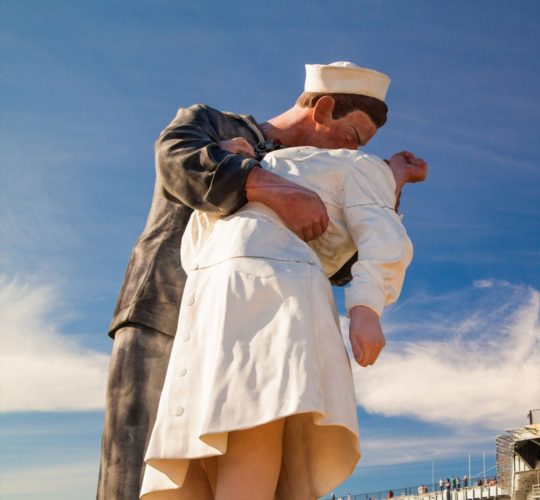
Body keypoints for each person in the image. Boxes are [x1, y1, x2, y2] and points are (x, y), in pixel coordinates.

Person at [98, 61, 402, 500]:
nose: (350, 151)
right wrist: (264, 183)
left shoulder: (325, 168)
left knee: (255, 434)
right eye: (352, 136)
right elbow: (176, 158)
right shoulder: (215, 124)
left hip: (263, 317)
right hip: (166, 309)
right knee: (141, 453)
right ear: (324, 108)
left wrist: (385, 186)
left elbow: (345, 257)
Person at [140, 145, 425, 498]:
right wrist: (366, 308)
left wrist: (366, 308)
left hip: (225, 292)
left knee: (240, 422)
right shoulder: (355, 164)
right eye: (355, 132)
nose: (355, 141)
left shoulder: (300, 165)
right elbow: (382, 233)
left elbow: (377, 229)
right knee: (231, 428)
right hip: (246, 290)